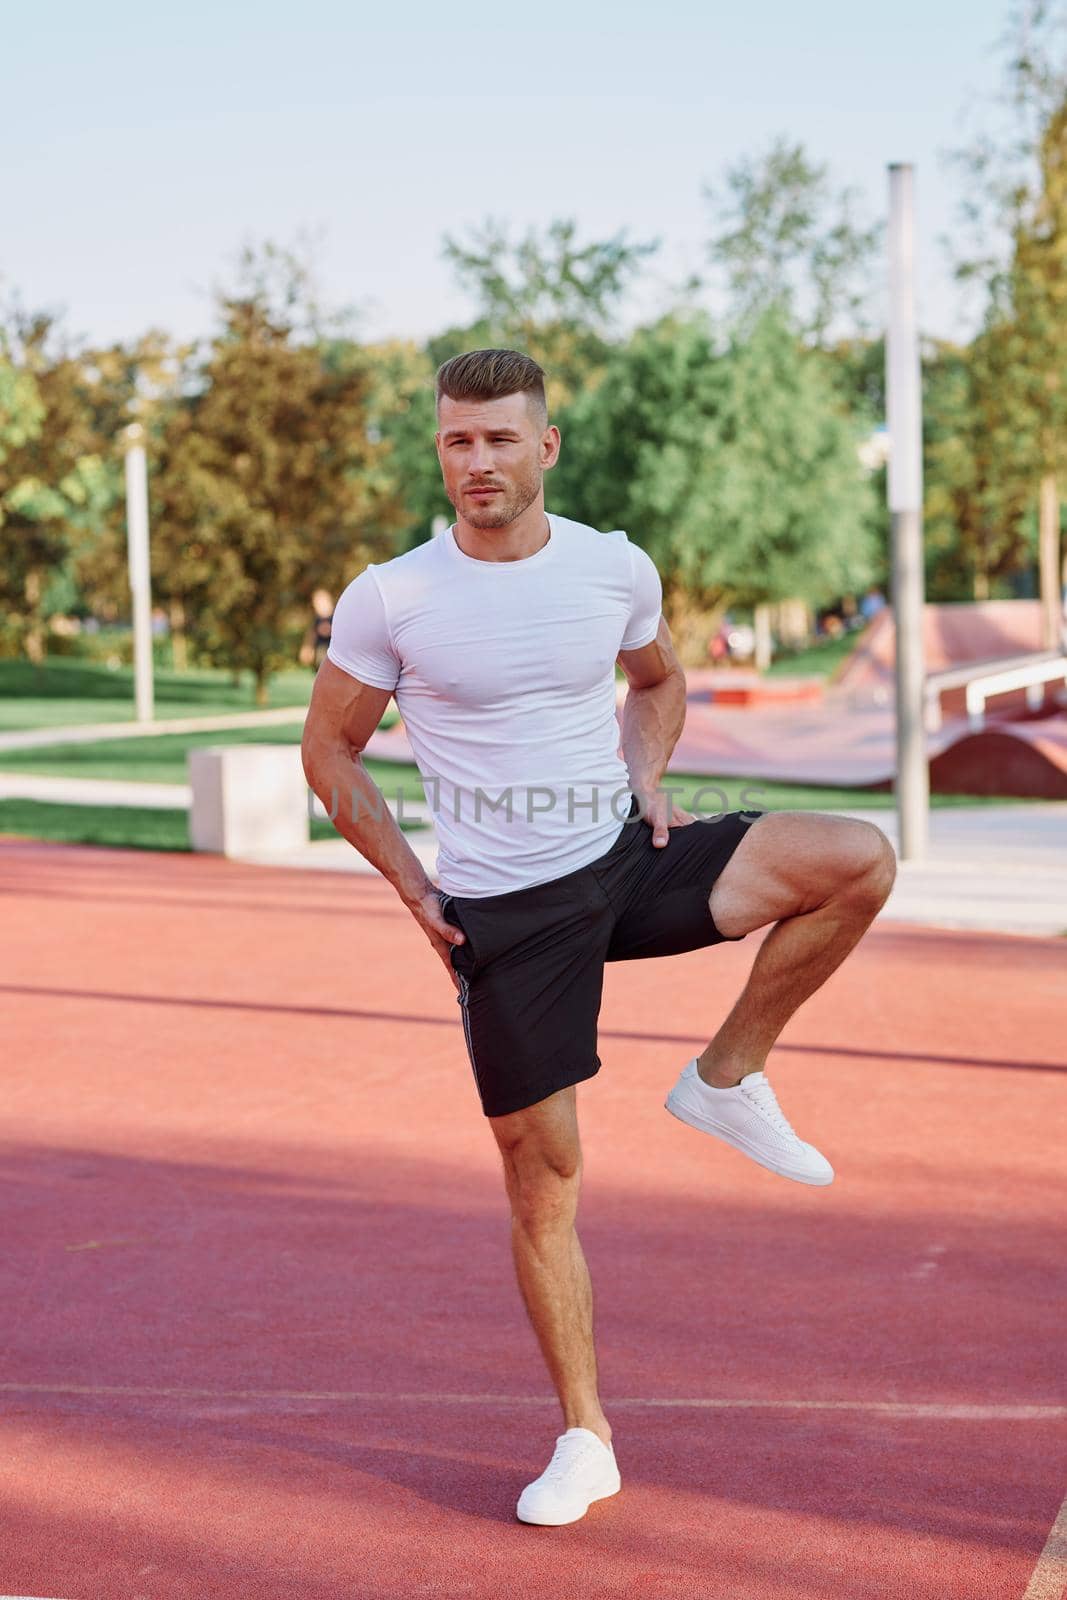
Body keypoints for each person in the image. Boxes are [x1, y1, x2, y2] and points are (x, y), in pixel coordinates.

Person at [301, 349, 896, 1528]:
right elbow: (329, 750)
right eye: (456, 441)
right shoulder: (394, 596)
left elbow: (658, 680)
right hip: (507, 917)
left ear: (545, 447)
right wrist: (412, 886)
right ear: (441, 449)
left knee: (856, 858)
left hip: (624, 860)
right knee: (545, 1183)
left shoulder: (612, 566)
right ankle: (586, 1436)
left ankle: (726, 1076)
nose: (477, 461)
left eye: (498, 440)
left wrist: (646, 771)